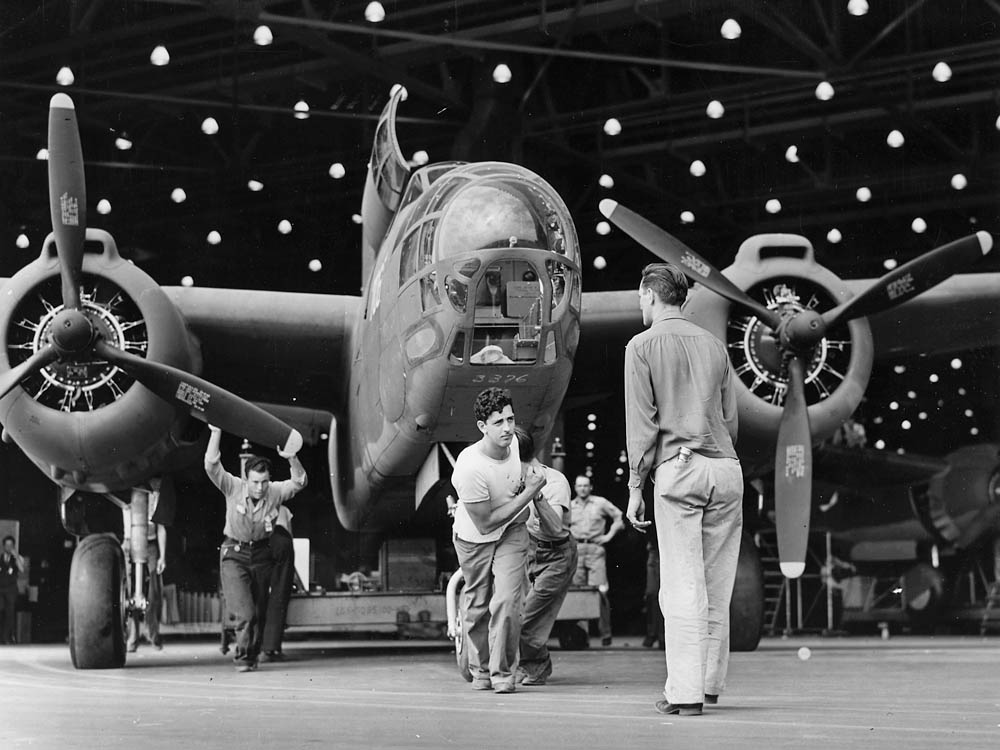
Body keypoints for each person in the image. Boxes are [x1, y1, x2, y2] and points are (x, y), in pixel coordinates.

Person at [624, 262, 742, 717]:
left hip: (680, 468)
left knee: (681, 586)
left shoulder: (641, 346)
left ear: (649, 295)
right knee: (717, 584)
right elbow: (730, 418)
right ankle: (710, 686)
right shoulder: (714, 346)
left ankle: (686, 694)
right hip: (725, 468)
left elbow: (643, 425)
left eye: (640, 298)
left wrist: (636, 485)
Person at [451, 387, 547, 694]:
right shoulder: (469, 468)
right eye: (498, 422)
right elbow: (485, 522)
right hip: (474, 538)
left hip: (512, 531)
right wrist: (530, 492)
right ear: (482, 427)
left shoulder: (516, 443)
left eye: (510, 418)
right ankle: (480, 669)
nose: (507, 428)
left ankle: (503, 672)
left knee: (507, 600)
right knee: (478, 605)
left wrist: (525, 489)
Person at [205, 425, 307, 672]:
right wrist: (216, 434)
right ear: (246, 479)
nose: (260, 488)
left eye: (264, 482)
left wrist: (292, 457)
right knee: (246, 613)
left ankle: (253, 654)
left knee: (258, 612)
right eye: (255, 482)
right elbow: (211, 466)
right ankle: (243, 658)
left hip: (262, 555)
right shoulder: (233, 487)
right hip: (234, 555)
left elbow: (299, 481)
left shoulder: (274, 492)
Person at [514, 427, 577, 686]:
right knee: (514, 614)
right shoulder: (512, 479)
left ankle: (538, 667)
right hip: (531, 551)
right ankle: (528, 664)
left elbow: (555, 528)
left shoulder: (554, 482)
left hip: (557, 555)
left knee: (529, 618)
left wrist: (536, 493)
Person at [570, 475, 624, 646]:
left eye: (586, 485)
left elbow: (619, 517)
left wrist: (608, 536)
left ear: (591, 487)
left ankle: (605, 633)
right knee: (578, 592)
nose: (583, 489)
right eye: (579, 486)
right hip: (577, 550)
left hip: (595, 549)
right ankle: (581, 636)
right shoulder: (570, 506)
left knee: (600, 591)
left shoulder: (600, 502)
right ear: (575, 488)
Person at [121, 497, 167, 652]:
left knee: (153, 592)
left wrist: (163, 556)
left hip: (151, 545)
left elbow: (161, 527)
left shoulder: (155, 496)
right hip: (129, 543)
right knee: (129, 590)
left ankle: (153, 634)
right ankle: (133, 637)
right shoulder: (125, 491)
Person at [261, 505, 295, 661]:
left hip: (261, 542)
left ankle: (256, 647)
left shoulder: (256, 507)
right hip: (282, 540)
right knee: (279, 594)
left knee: (258, 594)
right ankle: (271, 648)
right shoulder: (283, 508)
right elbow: (290, 533)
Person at [1, 536, 25, 644]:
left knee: (10, 613)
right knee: (2, 612)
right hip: (0, 589)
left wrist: (16, 557)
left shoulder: (17, 558)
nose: (8, 547)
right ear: (3, 546)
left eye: (11, 545)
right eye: (7, 545)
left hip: (11, 590)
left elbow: (22, 569)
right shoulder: (0, 558)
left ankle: (7, 637)